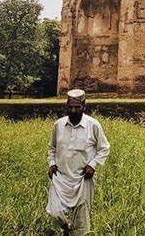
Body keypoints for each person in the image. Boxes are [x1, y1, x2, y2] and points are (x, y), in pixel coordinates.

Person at [46, 89, 110, 235]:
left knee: (81, 221)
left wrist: (93, 165)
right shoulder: (58, 125)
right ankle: (66, 231)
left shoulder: (93, 125)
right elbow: (52, 148)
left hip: (82, 179)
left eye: (77, 107)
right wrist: (51, 164)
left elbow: (104, 148)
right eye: (70, 107)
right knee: (55, 213)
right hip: (60, 178)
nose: (73, 111)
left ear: (84, 106)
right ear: (66, 106)